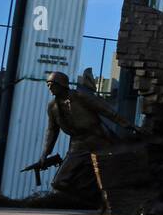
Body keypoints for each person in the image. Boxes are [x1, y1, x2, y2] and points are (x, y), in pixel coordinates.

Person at [30, 71, 134, 205]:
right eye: (48, 85)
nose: (49, 88)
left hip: (98, 140)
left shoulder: (80, 97)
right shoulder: (53, 107)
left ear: (62, 85)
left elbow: (107, 111)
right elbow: (52, 131)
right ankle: (93, 198)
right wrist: (44, 154)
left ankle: (101, 196)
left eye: (52, 84)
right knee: (59, 182)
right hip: (77, 145)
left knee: (107, 174)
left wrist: (129, 126)